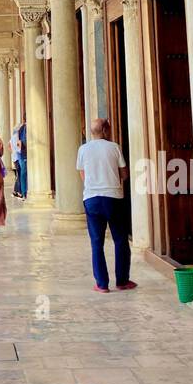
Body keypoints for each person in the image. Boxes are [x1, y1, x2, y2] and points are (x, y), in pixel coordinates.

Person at [76, 116, 136, 293]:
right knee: (120, 240)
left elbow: (83, 175)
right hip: (113, 198)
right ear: (104, 131)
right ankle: (122, 280)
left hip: (92, 199)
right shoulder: (114, 147)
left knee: (96, 243)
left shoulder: (83, 150)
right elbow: (124, 174)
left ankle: (102, 284)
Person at [17, 121, 28, 200]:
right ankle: (24, 193)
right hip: (24, 154)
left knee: (23, 174)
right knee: (24, 174)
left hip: (21, 154)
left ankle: (24, 193)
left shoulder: (20, 128)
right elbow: (23, 141)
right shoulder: (24, 128)